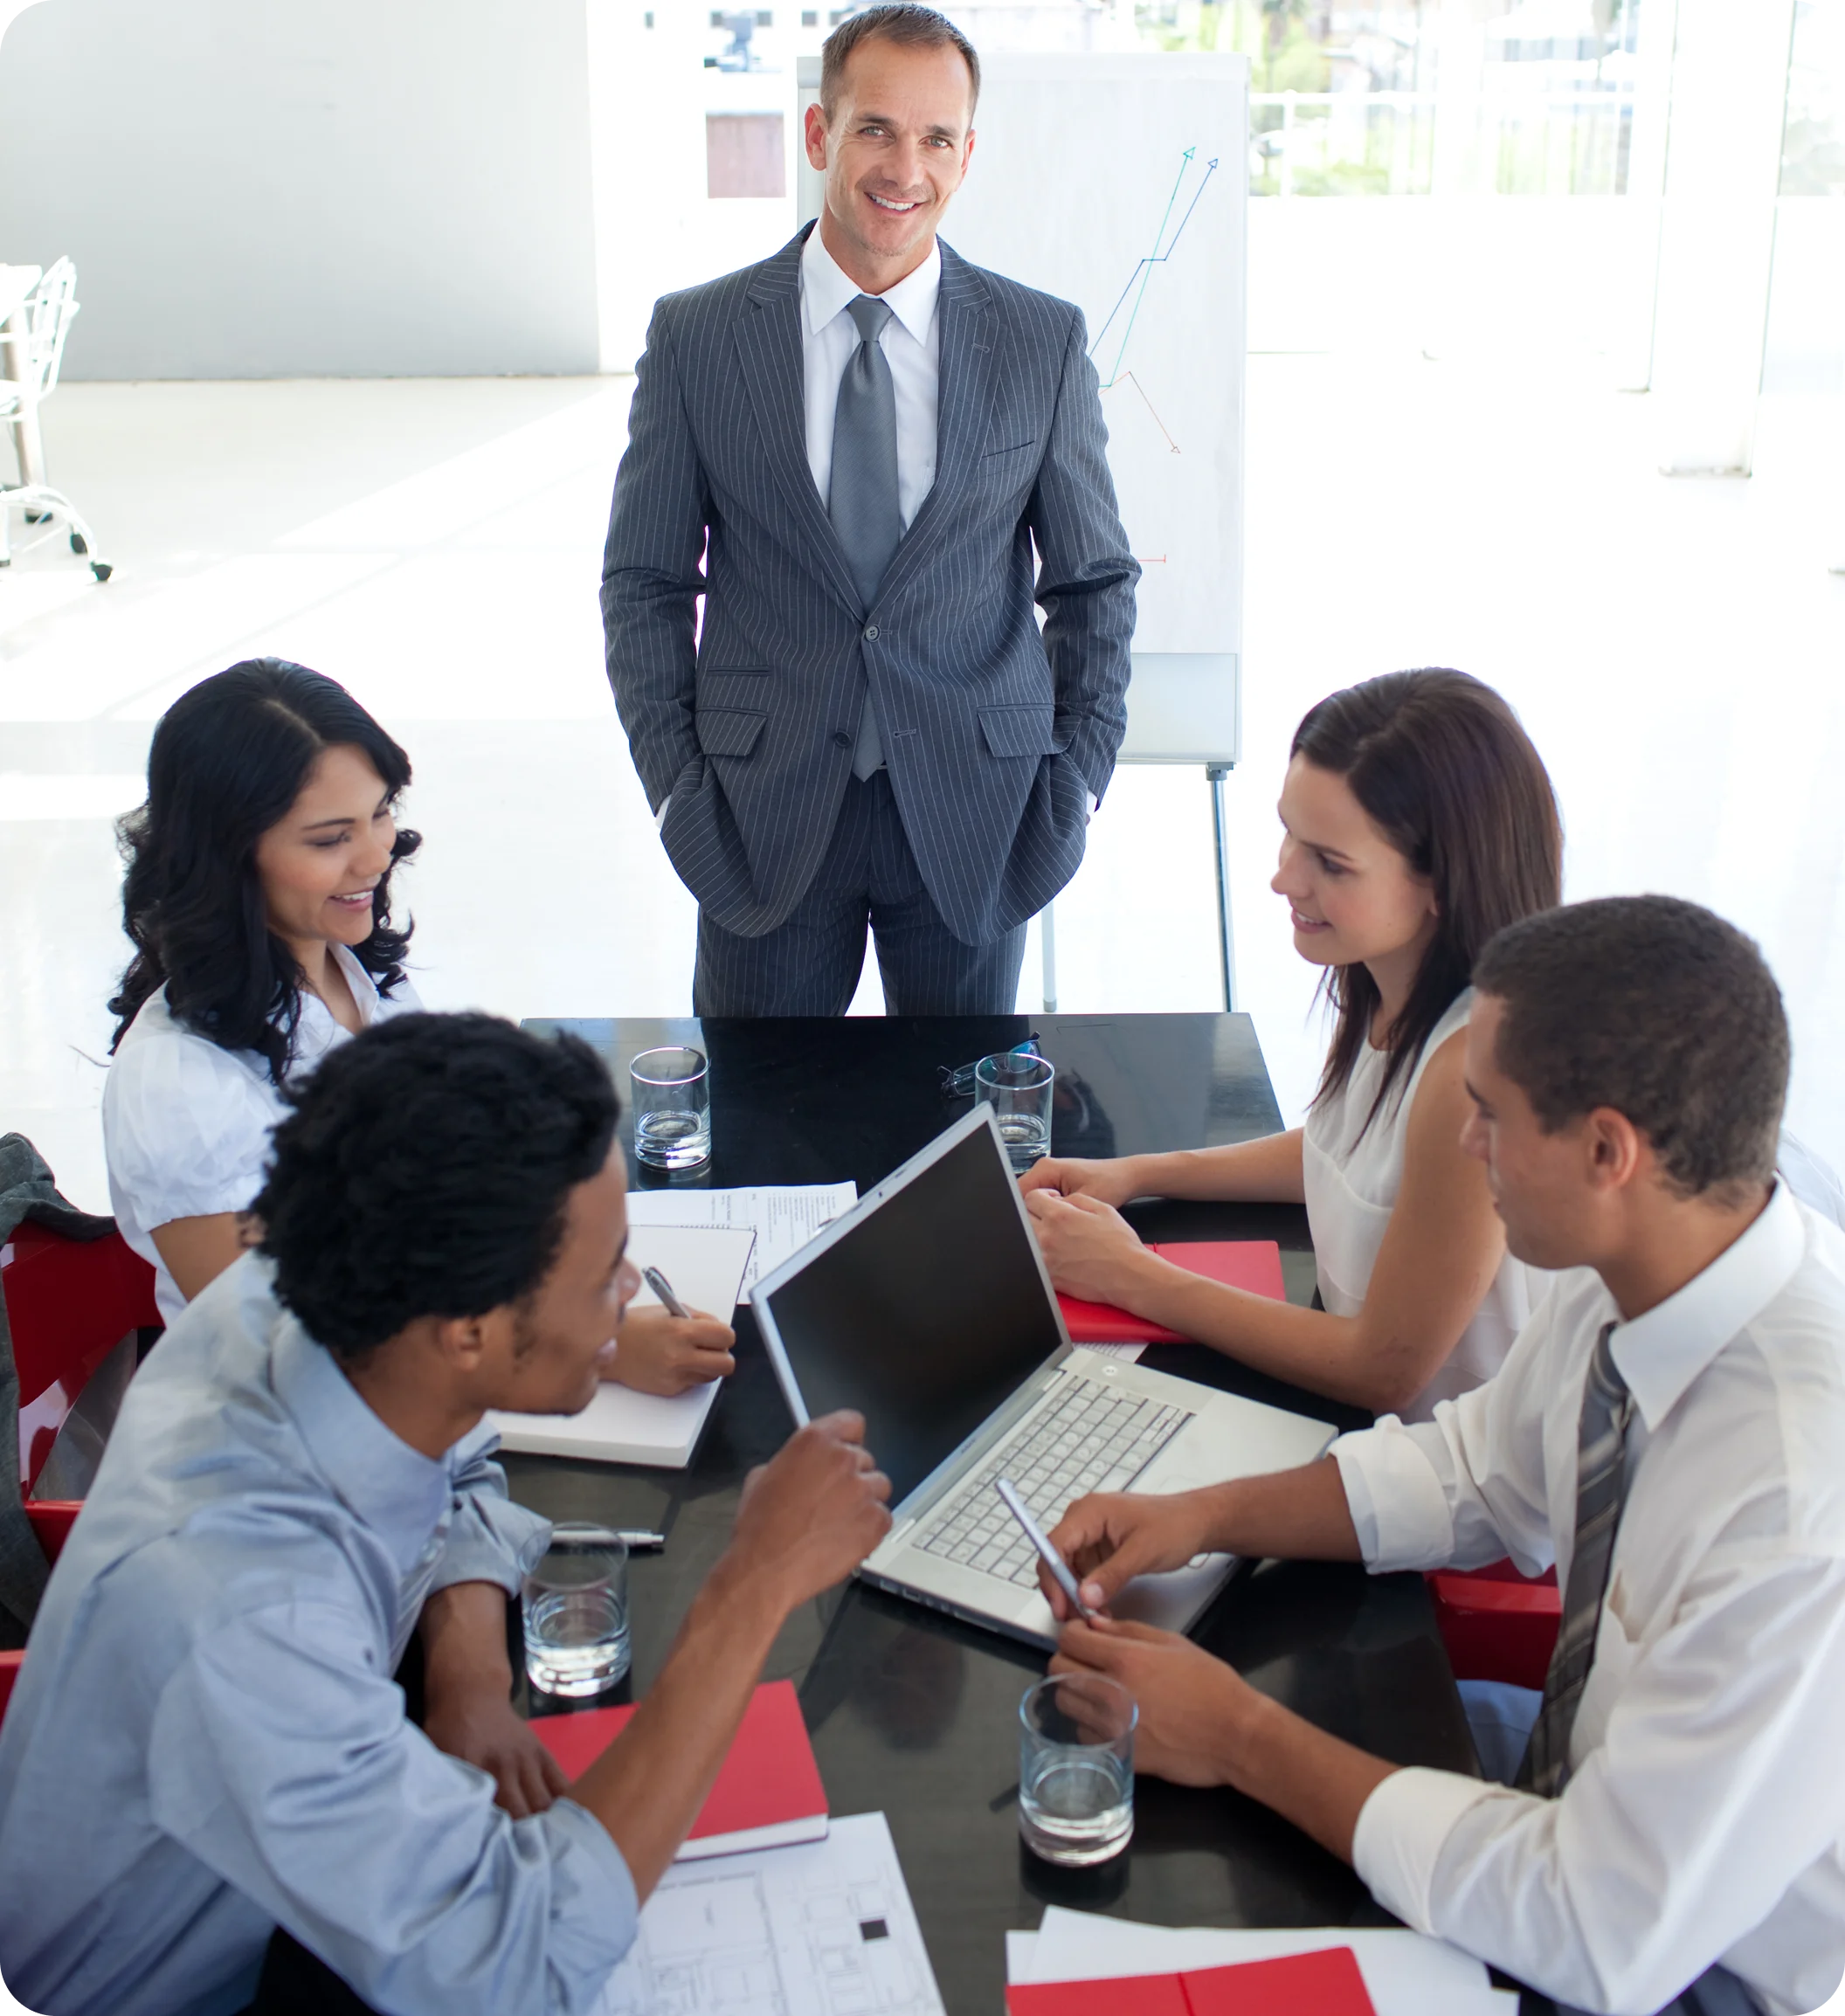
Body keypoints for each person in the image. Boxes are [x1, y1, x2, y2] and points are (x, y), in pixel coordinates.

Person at [1042, 897, 1845, 2016]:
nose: (1464, 1146)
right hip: (1585, 1802)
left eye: (1489, 1115)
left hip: (1710, 1968)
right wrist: (1203, 1511)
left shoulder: (1799, 1497)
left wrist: (1236, 1735)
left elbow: (1596, 1926)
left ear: (1608, 1150)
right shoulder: (1651, 1270)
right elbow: (1475, 1473)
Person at [0, 1013, 894, 2015]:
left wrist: (467, 1679)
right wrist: (750, 1587)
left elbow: (458, 1449)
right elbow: (520, 1965)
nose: (632, 1289)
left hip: (306, 1852)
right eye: (604, 1274)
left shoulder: (325, 1293)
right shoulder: (245, 1614)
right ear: (469, 1331)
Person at [602, 3, 1137, 1018]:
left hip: (980, 818)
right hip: (761, 826)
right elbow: (645, 583)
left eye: (937, 137)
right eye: (876, 129)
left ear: (967, 154)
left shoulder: (1040, 341)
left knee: (962, 1144)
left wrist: (1073, 786)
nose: (906, 168)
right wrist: (676, 787)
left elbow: (1094, 583)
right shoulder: (698, 337)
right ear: (819, 133)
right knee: (762, 1140)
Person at [103, 658, 731, 1398]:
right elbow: (291, 1351)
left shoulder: (345, 964)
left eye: (379, 812)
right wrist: (598, 1344)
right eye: (330, 838)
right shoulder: (178, 1086)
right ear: (229, 859)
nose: (378, 856)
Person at [1023, 668, 1561, 1418]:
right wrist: (1139, 1171)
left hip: (1451, 1482)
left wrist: (1132, 1274)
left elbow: (1382, 1371)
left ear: (1444, 880)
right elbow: (1346, 1155)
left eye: (1330, 862)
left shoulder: (1474, 1074)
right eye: (1288, 833)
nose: (1283, 878)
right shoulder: (1382, 973)